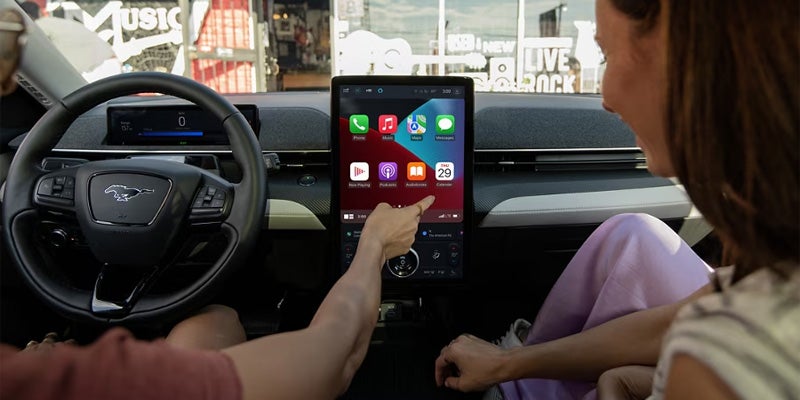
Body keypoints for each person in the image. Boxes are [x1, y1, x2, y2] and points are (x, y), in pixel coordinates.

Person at [0, 15, 438, 396]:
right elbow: (334, 361)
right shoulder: (108, 382)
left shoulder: (32, 377)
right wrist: (374, 245)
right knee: (214, 320)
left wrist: (45, 364)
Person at [435, 0, 799, 399]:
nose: (605, 98)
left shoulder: (708, 363)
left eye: (607, 55)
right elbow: (673, 323)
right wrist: (510, 363)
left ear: (686, 62)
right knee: (632, 233)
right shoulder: (763, 275)